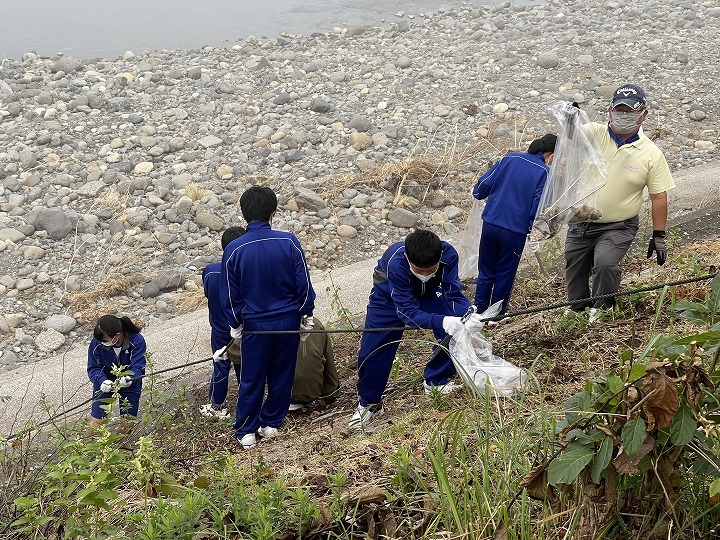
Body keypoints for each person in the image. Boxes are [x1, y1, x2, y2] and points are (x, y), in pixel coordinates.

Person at [349, 229, 481, 429]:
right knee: (374, 349)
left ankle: (436, 381)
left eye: (431, 270)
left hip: (429, 294)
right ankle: (370, 404)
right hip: (389, 298)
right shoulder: (396, 262)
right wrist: (442, 320)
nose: (425, 274)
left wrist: (467, 313)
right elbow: (407, 312)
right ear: (407, 258)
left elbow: (452, 293)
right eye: (419, 270)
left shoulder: (449, 255)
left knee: (454, 329)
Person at [564, 84, 675, 317]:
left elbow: (659, 196)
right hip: (581, 219)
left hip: (619, 225)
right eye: (619, 110)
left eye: (631, 112)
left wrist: (659, 235)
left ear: (644, 114)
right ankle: (577, 312)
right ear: (609, 111)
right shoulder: (594, 133)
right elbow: (572, 134)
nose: (624, 116)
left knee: (605, 264)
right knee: (575, 267)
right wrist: (570, 118)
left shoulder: (651, 153)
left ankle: (602, 310)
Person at [220, 186, 316, 449]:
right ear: (273, 213)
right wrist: (306, 313)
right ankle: (271, 422)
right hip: (287, 320)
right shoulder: (288, 241)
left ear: (243, 214)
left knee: (252, 376)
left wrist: (235, 322)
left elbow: (230, 294)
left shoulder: (234, 249)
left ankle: (246, 430)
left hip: (255, 324)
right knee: (282, 372)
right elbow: (303, 283)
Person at [472, 134, 556, 314]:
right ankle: (496, 314)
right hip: (515, 231)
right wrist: (535, 229)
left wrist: (478, 192)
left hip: (491, 223)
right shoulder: (544, 172)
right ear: (550, 155)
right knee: (505, 273)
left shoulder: (509, 157)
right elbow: (537, 205)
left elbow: (482, 187)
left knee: (486, 270)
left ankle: (478, 310)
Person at [199, 226, 247, 420]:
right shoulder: (247, 272)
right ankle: (248, 403)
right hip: (244, 328)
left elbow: (208, 294)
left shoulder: (210, 272)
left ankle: (217, 406)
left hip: (219, 328)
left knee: (220, 365)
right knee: (244, 365)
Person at [87, 315, 146, 427]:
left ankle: (122, 443)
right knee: (97, 423)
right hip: (105, 384)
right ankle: (87, 443)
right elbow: (93, 368)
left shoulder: (136, 340)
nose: (102, 343)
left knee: (127, 423)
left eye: (105, 341)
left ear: (117, 336)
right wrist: (102, 381)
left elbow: (138, 366)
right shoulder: (97, 343)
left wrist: (131, 378)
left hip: (130, 384)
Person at [289, 318, 340, 411]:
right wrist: (330, 393)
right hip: (312, 392)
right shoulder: (314, 322)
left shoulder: (264, 323)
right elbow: (329, 363)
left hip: (282, 397)